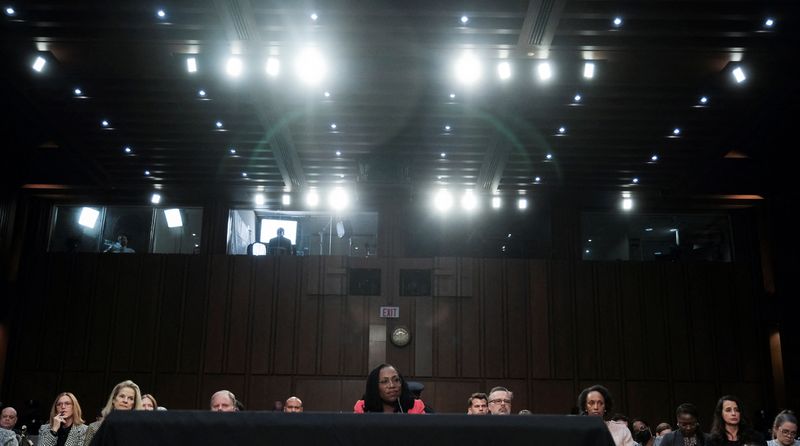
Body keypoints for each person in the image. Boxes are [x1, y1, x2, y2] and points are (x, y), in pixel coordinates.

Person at [83, 380, 143, 445]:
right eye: (122, 396)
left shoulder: (138, 431)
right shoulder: (94, 427)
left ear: (134, 404)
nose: (125, 401)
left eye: (130, 398)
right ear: (113, 399)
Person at [353, 364, 425, 413]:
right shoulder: (363, 408)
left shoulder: (416, 406)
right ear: (374, 387)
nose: (392, 385)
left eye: (396, 380)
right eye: (384, 381)